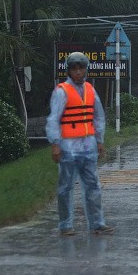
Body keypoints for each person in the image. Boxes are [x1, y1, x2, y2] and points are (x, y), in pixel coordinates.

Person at [46, 51, 114, 236]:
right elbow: (53, 119)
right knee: (65, 186)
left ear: (86, 70)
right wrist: (55, 144)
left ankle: (97, 223)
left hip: (88, 145)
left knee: (93, 185)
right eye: (74, 68)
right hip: (68, 146)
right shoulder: (61, 91)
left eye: (81, 68)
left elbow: (98, 116)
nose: (78, 72)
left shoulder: (91, 90)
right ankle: (65, 225)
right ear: (68, 71)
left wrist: (100, 141)